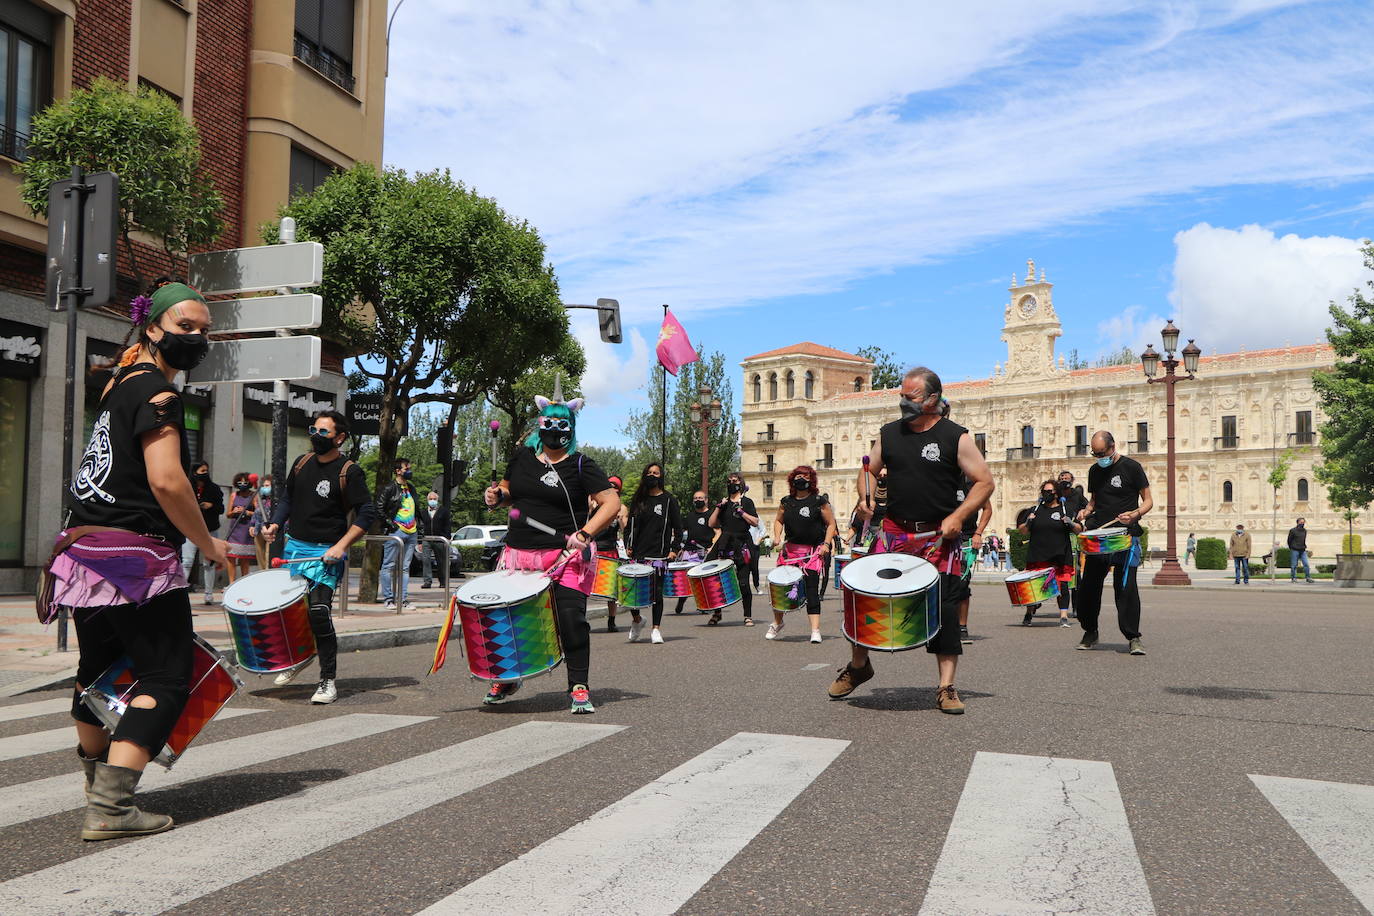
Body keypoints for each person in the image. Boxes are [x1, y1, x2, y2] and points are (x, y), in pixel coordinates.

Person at [46, 280, 226, 840]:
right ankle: (112, 807)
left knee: (95, 670)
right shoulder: (160, 394)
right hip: (132, 555)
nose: (196, 338)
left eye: (204, 331)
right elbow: (168, 481)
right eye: (185, 327)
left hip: (82, 549)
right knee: (168, 676)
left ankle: (95, 780)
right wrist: (211, 543)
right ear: (153, 329)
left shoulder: (119, 384)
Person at [829, 367, 994, 714]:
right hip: (893, 533)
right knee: (862, 595)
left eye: (911, 396)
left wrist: (958, 517)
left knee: (946, 610)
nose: (904, 401)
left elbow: (984, 482)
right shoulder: (889, 434)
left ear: (933, 399)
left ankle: (946, 687)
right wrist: (865, 496)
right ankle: (859, 665)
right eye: (902, 395)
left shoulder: (956, 437)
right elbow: (867, 470)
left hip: (938, 537)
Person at [483, 386, 620, 712]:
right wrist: (496, 497)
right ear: (539, 423)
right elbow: (506, 490)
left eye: (562, 425)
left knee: (571, 618)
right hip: (519, 552)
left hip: (564, 557)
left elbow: (611, 502)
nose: (554, 431)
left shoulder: (582, 465)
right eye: (549, 423)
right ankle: (508, 676)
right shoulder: (521, 457)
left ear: (571, 428)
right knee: (514, 619)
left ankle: (578, 686)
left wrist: (585, 534)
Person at [263, 410, 375, 704]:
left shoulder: (349, 471)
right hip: (295, 549)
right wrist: (275, 523)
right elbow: (288, 498)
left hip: (326, 553)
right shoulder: (301, 464)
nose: (316, 435)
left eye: (323, 432)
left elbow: (367, 512)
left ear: (339, 437)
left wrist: (342, 545)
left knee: (319, 612)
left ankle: (327, 680)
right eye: (314, 429)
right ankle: (299, 658)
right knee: (294, 613)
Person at [1074, 430, 1152, 656]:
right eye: (1095, 454)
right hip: (1100, 534)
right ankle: (1090, 631)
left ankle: (1133, 637)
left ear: (1112, 447)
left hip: (1125, 535)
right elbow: (1094, 501)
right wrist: (1086, 511)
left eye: (1102, 453)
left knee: (1125, 587)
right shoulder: (1094, 470)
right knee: (1089, 587)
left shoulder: (1132, 468)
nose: (1099, 457)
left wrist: (1135, 514)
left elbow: (1149, 501)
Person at [770, 465, 835, 644]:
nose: (801, 479)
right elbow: (778, 520)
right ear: (792, 479)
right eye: (798, 475)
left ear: (811, 480)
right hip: (790, 552)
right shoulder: (786, 502)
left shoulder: (818, 501)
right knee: (782, 588)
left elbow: (831, 523)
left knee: (812, 591)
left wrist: (826, 544)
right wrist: (777, 536)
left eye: (805, 476)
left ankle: (815, 630)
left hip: (811, 554)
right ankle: (777, 622)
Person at [624, 463, 683, 644]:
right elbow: (629, 527)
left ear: (661, 477)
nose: (652, 475)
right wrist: (628, 544)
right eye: (649, 473)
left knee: (657, 593)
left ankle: (655, 629)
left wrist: (674, 549)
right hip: (639, 554)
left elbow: (678, 528)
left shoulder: (668, 500)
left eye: (656, 473)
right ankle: (637, 620)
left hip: (659, 555)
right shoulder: (638, 500)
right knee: (631, 593)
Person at [1018, 479, 1083, 626]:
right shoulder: (1035, 510)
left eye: (1050, 492)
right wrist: (1028, 522)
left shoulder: (1065, 509)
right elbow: (1022, 531)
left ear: (1056, 494)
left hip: (1060, 554)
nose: (1047, 494)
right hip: (1038, 554)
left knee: (1063, 585)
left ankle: (1064, 616)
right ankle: (1029, 613)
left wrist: (1071, 523)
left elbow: (1079, 529)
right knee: (1034, 586)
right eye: (1044, 492)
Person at [706, 471, 759, 626]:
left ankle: (747, 615)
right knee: (712, 574)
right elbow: (712, 524)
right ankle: (717, 613)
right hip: (724, 541)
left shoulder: (747, 502)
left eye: (734, 481)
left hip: (742, 542)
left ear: (740, 483)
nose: (731, 483)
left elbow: (755, 522)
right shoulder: (723, 503)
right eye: (729, 481)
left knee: (743, 581)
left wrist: (741, 512)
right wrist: (718, 507)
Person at [376, 458, 423, 610]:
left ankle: (403, 600)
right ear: (397, 471)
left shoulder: (411, 488)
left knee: (405, 567)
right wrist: (392, 525)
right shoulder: (390, 487)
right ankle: (388, 599)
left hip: (412, 532)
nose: (409, 470)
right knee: (388, 565)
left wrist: (419, 529)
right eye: (406, 468)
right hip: (397, 531)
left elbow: (417, 509)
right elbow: (379, 508)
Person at [181, 461, 223, 604]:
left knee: (209, 563)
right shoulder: (187, 488)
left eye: (207, 470)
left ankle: (209, 594)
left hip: (210, 529)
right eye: (202, 471)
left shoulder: (214, 489)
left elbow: (221, 508)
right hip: (191, 529)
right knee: (186, 561)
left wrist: (211, 506)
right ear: (194, 473)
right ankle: (180, 592)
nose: (205, 473)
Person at [592, 476, 628, 631]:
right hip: (592, 549)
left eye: (615, 486)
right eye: (609, 485)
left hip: (610, 550)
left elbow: (625, 529)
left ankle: (611, 621)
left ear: (619, 490)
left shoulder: (622, 508)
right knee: (583, 587)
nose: (612, 488)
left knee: (611, 590)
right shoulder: (595, 503)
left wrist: (620, 520)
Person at [675, 488, 716, 614]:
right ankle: (682, 600)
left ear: (706, 500)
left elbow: (718, 532)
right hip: (688, 551)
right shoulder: (689, 516)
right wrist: (680, 547)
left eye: (700, 498)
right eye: (695, 498)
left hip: (703, 552)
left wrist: (712, 547)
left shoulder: (711, 515)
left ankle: (703, 605)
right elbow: (682, 533)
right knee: (686, 579)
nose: (698, 500)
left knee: (702, 580)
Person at [222, 472, 258, 584]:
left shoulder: (254, 495)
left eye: (245, 482)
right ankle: (231, 583)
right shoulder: (234, 495)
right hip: (234, 529)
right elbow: (227, 514)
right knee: (230, 557)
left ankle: (244, 583)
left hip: (246, 530)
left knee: (244, 559)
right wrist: (234, 511)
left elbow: (258, 513)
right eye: (240, 482)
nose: (243, 484)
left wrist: (247, 512)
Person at [418, 490, 452, 588]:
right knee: (425, 560)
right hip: (426, 539)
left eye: (434, 499)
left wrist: (447, 538)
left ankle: (443, 581)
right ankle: (427, 581)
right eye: (430, 499)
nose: (432, 500)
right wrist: (420, 541)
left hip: (440, 539)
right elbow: (420, 526)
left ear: (438, 500)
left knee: (441, 561)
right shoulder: (423, 512)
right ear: (427, 500)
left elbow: (447, 525)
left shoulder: (444, 511)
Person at [249, 475, 275, 570]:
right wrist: (252, 525)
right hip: (259, 530)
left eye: (267, 485)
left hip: (270, 530)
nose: (265, 488)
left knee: (269, 555)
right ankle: (262, 573)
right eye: (263, 486)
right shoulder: (261, 499)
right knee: (260, 556)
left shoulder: (277, 500)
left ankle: (268, 574)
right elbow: (256, 513)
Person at [1287, 518, 1313, 582]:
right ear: (1298, 523)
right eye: (1301, 522)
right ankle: (1294, 578)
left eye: (1303, 522)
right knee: (1294, 565)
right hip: (1295, 549)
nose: (1302, 523)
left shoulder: (1304, 531)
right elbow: (1289, 540)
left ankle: (1308, 577)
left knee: (1306, 564)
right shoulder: (1292, 530)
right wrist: (1292, 547)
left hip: (1302, 550)